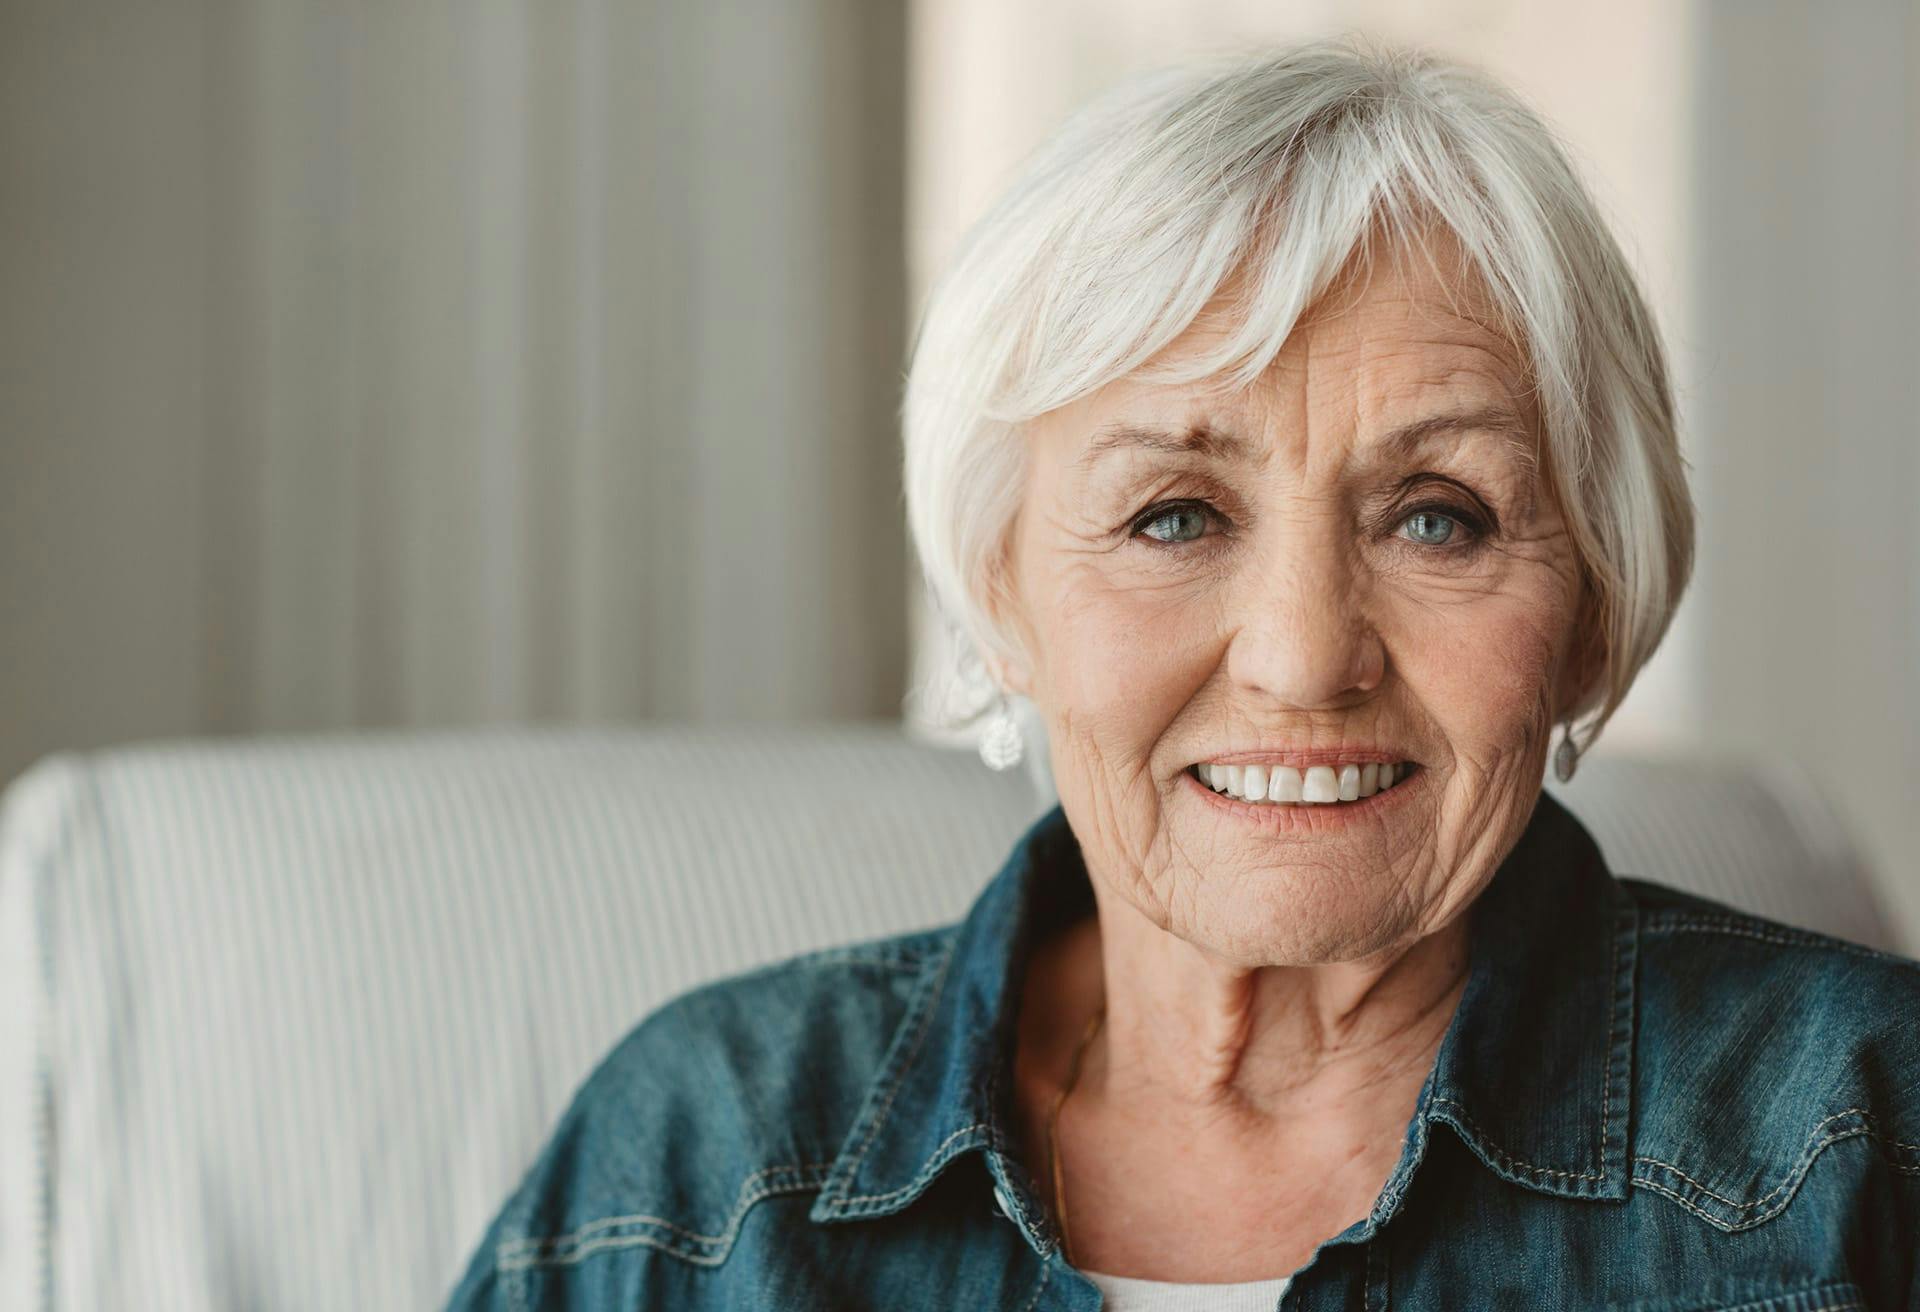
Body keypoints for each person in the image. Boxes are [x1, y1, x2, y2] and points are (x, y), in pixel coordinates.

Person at [447, 35, 1920, 1309]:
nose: (1302, 659)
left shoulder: (1866, 1133)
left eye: (1436, 516)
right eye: (1173, 516)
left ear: (1593, 602)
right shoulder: (704, 1167)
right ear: (1000, 590)